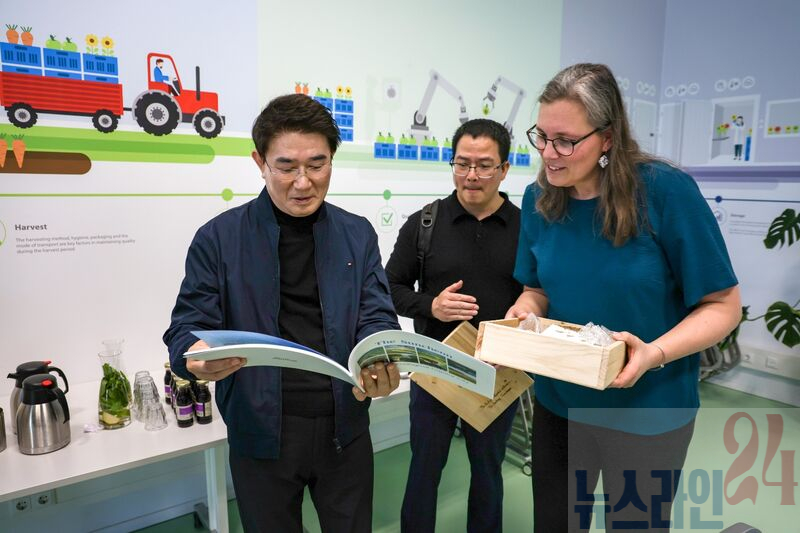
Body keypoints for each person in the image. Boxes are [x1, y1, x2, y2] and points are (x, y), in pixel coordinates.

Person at [507, 63, 741, 532]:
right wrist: (524, 315)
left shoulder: (664, 192)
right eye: (542, 137)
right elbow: (536, 289)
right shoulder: (539, 199)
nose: (549, 153)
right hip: (561, 405)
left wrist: (654, 353)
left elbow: (723, 306)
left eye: (565, 141)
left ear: (607, 138)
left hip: (647, 410)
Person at [163, 94, 401, 533]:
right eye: (286, 166)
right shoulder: (218, 238)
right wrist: (192, 357)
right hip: (261, 430)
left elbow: (376, 313)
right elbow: (186, 327)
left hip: (345, 424)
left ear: (332, 160)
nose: (303, 182)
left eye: (317, 164)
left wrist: (380, 356)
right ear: (260, 162)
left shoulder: (357, 233)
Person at [385, 118, 522, 533]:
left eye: (484, 165)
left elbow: (539, 293)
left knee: (488, 470)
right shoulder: (424, 223)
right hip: (435, 368)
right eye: (462, 164)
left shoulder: (526, 228)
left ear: (504, 169)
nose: (471, 175)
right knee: (424, 468)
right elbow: (388, 288)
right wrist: (431, 306)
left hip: (497, 371)